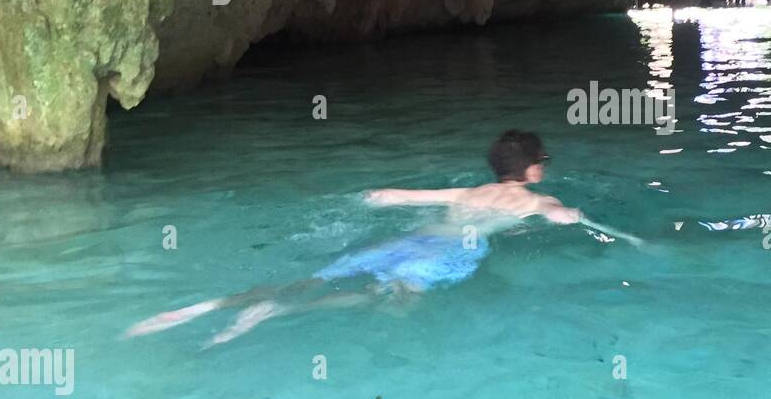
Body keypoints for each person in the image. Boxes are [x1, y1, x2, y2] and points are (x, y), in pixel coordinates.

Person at [124, 131, 581, 347]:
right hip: (450, 252)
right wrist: (568, 214)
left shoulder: (466, 190)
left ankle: (213, 305)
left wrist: (375, 197)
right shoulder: (534, 198)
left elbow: (396, 196)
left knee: (315, 277)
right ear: (534, 167)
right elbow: (556, 215)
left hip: (414, 236)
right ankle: (278, 311)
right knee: (387, 302)